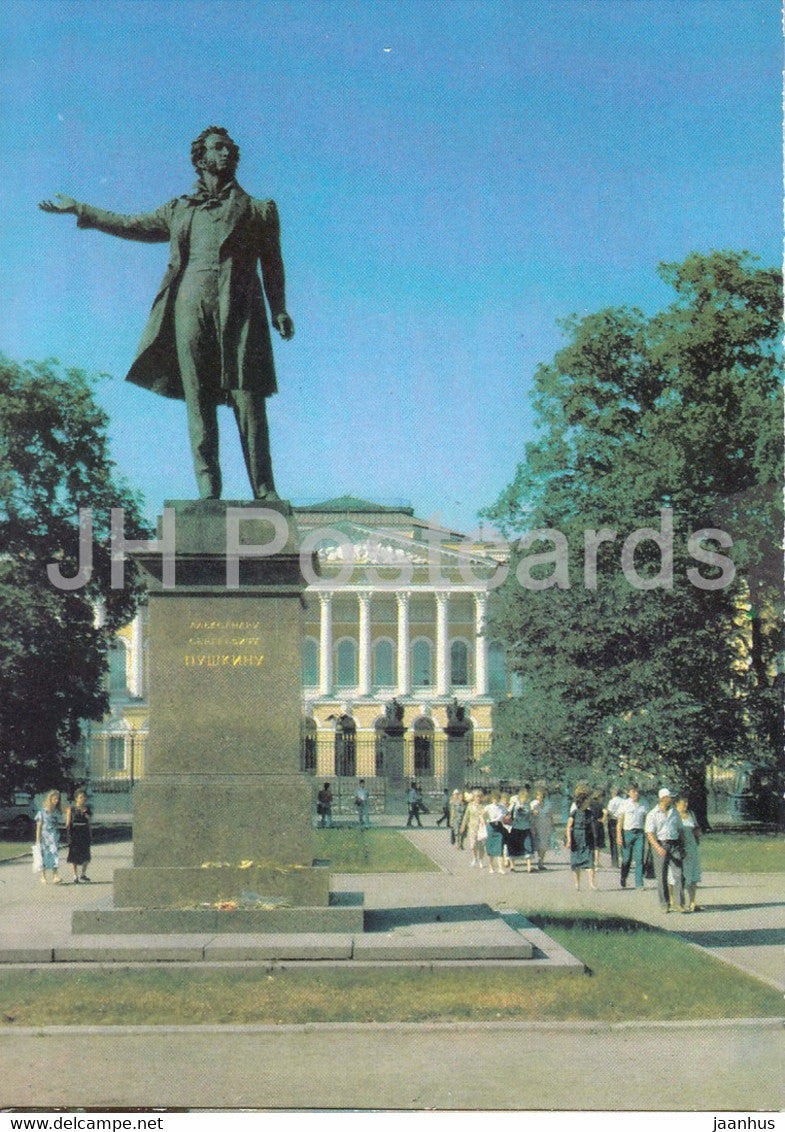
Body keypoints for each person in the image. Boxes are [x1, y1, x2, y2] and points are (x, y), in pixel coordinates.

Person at [39, 127, 294, 501]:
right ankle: (208, 490)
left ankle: (265, 489)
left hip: (241, 309)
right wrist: (82, 209)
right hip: (189, 306)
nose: (227, 154)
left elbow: (272, 264)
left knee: (247, 397)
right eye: (218, 148)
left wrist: (280, 309)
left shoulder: (258, 210)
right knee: (199, 397)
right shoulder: (178, 209)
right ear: (201, 157)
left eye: (231, 149)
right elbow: (131, 225)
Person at [645, 787, 685, 913]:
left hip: (674, 844)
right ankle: (665, 903)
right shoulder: (653, 814)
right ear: (663, 798)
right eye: (670, 797)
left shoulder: (674, 812)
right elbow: (650, 833)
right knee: (661, 876)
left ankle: (678, 903)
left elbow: (680, 829)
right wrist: (657, 847)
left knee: (679, 874)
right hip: (660, 844)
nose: (672, 799)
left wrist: (682, 846)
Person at [674, 795, 702, 911]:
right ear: (677, 804)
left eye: (686, 803)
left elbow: (696, 828)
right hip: (680, 847)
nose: (685, 805)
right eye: (683, 803)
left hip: (692, 847)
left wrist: (697, 835)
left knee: (693, 875)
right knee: (676, 875)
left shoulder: (691, 814)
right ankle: (673, 901)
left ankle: (692, 902)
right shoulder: (674, 815)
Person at [617, 783, 648, 889]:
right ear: (628, 793)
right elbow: (620, 821)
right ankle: (623, 876)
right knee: (626, 859)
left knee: (639, 859)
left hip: (639, 833)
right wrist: (619, 836)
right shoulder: (625, 804)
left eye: (637, 791)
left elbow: (646, 819)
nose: (636, 793)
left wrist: (648, 833)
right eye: (633, 791)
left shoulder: (644, 803)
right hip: (627, 833)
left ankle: (639, 883)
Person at [566, 786, 596, 890]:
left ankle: (592, 884)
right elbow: (569, 826)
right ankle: (577, 884)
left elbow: (593, 827)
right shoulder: (574, 813)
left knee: (590, 861)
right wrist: (569, 840)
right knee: (576, 862)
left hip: (587, 838)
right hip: (576, 838)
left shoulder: (590, 813)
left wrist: (595, 837)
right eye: (586, 801)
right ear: (582, 802)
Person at [35, 790, 62, 885]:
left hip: (53, 836)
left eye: (58, 799)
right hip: (44, 836)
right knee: (43, 855)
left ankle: (55, 875)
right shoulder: (42, 812)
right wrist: (37, 840)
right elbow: (39, 826)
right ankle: (43, 876)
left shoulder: (57, 812)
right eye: (55, 798)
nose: (56, 800)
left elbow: (59, 824)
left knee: (54, 854)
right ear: (50, 799)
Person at [65, 789, 92, 883]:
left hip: (84, 833)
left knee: (86, 854)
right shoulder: (71, 809)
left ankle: (83, 874)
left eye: (84, 797)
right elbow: (68, 823)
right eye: (81, 797)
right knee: (74, 855)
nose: (83, 799)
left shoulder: (87, 810)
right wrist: (68, 834)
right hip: (75, 833)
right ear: (76, 799)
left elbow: (89, 823)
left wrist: (90, 834)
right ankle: (75, 875)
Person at [507, 786, 534, 872]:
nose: (524, 799)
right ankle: (512, 866)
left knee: (528, 846)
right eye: (523, 797)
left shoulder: (528, 806)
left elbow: (529, 817)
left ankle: (529, 867)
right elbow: (508, 812)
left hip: (526, 828)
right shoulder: (515, 805)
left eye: (525, 798)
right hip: (516, 828)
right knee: (513, 846)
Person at [530, 783, 555, 871]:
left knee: (544, 845)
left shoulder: (548, 804)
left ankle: (541, 863)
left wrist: (553, 825)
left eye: (541, 795)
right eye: (538, 795)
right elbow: (530, 815)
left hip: (546, 826)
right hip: (536, 826)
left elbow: (551, 815)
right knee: (537, 845)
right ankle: (533, 863)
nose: (539, 797)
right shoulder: (533, 804)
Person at [459, 789, 487, 868]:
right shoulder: (470, 806)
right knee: (473, 845)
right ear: (474, 797)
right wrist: (463, 825)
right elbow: (466, 816)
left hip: (482, 828)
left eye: (480, 797)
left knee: (481, 845)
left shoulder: (484, 806)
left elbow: (488, 816)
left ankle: (480, 859)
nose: (478, 798)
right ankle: (475, 858)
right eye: (477, 797)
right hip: (472, 827)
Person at [482, 792, 507, 875]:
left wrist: (503, 817)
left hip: (499, 827)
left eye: (497, 799)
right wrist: (483, 820)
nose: (495, 801)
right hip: (491, 827)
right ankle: (491, 866)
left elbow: (506, 814)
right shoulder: (488, 807)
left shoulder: (502, 807)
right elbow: (481, 814)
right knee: (490, 847)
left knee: (500, 847)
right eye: (494, 799)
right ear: (492, 799)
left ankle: (500, 868)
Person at [605, 787, 625, 869]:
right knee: (622, 841)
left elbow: (609, 812)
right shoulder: (624, 801)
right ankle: (625, 861)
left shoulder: (612, 801)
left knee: (613, 842)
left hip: (613, 821)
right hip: (622, 821)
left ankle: (615, 862)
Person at [589, 789, 607, 870]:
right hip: (598, 824)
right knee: (597, 845)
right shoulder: (600, 804)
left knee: (592, 844)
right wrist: (603, 819)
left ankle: (592, 861)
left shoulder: (590, 803)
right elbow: (605, 812)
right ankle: (596, 862)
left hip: (591, 823)